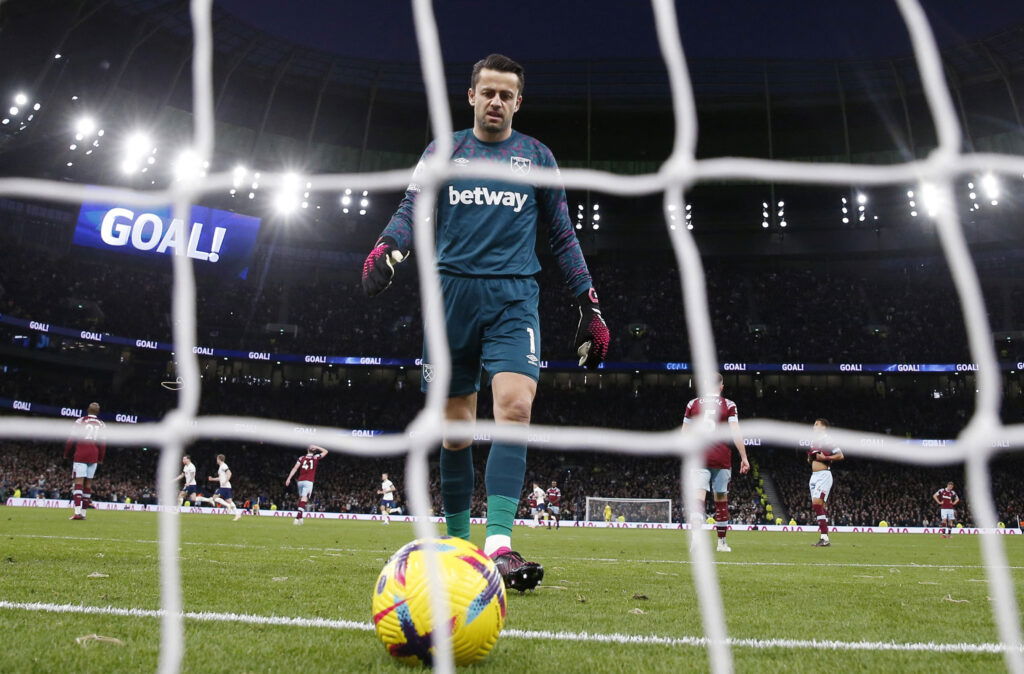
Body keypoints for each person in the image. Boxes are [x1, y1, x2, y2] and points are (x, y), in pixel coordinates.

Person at [361, 53, 609, 592]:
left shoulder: (537, 158)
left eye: (506, 95)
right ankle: (456, 546)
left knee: (515, 408)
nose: (496, 102)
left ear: (519, 102)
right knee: (456, 432)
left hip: (514, 297)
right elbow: (411, 208)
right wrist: (386, 246)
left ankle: (498, 544)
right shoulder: (443, 151)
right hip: (450, 294)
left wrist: (589, 304)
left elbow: (563, 236)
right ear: (471, 95)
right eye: (488, 92)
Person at [682, 374, 749, 552]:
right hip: (721, 457)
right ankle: (721, 543)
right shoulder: (729, 404)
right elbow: (735, 432)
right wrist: (744, 457)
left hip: (699, 457)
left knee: (698, 499)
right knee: (721, 500)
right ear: (721, 386)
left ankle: (696, 539)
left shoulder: (692, 404)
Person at [64, 402, 105, 520]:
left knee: (78, 482)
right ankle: (84, 513)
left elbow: (71, 439)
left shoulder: (80, 421)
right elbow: (102, 444)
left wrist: (67, 453)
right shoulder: (102, 424)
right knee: (88, 484)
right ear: (98, 412)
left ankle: (77, 513)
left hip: (81, 454)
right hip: (94, 456)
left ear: (87, 410)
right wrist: (100, 458)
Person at [807, 418, 844, 547]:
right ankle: (824, 537)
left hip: (824, 475)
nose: (814, 426)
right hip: (814, 476)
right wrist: (810, 459)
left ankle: (825, 537)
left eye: (816, 424)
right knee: (817, 505)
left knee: (817, 504)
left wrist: (826, 458)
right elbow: (812, 458)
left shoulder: (828, 440)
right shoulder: (814, 442)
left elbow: (840, 455)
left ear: (823, 427)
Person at [285, 445, 328, 526]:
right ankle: (297, 518)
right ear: (314, 451)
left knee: (301, 499)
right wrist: (317, 447)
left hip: (300, 481)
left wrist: (289, 478)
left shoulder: (301, 458)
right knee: (304, 499)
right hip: (308, 481)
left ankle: (300, 518)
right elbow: (326, 451)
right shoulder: (315, 457)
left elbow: (295, 468)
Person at [206, 454, 241, 521]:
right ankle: (237, 514)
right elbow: (220, 478)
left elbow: (229, 473)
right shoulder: (221, 467)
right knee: (229, 501)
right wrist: (212, 479)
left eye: (217, 459)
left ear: (219, 459)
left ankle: (228, 506)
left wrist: (225, 481)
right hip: (226, 486)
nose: (216, 460)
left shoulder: (224, 466)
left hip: (225, 487)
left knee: (214, 498)